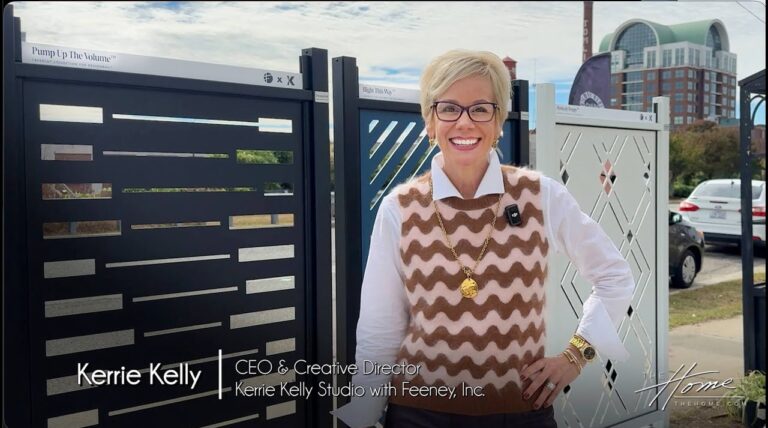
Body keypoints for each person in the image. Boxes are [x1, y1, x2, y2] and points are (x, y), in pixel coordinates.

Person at [332, 49, 635, 428]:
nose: (465, 122)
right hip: (418, 413)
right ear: (429, 121)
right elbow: (381, 327)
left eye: (480, 108)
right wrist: (361, 416)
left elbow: (614, 276)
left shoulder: (540, 195)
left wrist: (576, 356)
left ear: (498, 121)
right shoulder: (400, 208)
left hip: (520, 414)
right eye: (448, 109)